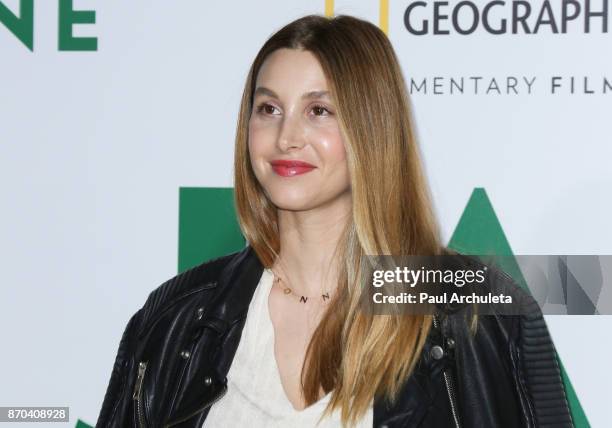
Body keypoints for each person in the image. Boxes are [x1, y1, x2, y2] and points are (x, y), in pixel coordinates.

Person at [96, 14, 574, 428]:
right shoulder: (177, 318)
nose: (287, 137)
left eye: (319, 111)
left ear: (371, 129)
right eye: (269, 109)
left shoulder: (472, 308)